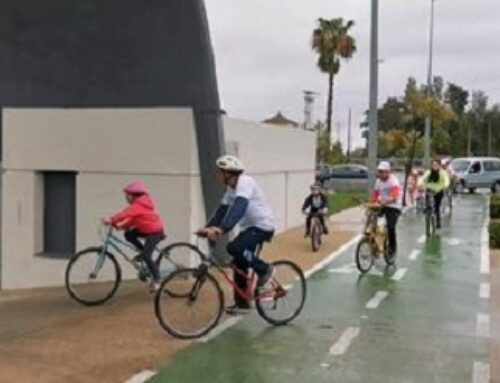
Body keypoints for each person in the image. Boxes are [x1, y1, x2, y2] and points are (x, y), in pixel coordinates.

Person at [197, 155, 276, 314]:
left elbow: (239, 207)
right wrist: (208, 228)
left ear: (229, 173)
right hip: (249, 228)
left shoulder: (245, 182)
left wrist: (223, 229)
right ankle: (242, 304)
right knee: (238, 262)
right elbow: (222, 211)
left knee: (234, 247)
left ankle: (265, 269)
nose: (218, 175)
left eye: (220, 172)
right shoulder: (230, 189)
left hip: (263, 226)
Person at [104, 182, 165, 291]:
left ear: (132, 195)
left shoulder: (138, 205)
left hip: (155, 232)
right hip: (145, 230)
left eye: (127, 195)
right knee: (129, 234)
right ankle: (142, 252)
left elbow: (125, 214)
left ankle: (157, 279)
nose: (126, 198)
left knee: (147, 256)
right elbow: (132, 219)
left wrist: (111, 219)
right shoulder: (137, 206)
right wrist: (121, 226)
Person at [372, 161, 402, 258]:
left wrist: (387, 201)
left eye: (382, 171)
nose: (380, 174)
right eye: (379, 171)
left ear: (388, 172)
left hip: (394, 206)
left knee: (390, 227)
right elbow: (376, 194)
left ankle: (392, 248)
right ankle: (373, 244)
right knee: (371, 219)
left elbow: (395, 196)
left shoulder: (393, 181)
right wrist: (375, 202)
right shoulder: (378, 181)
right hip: (383, 204)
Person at [419, 159, 450, 229]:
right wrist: (420, 184)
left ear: (439, 166)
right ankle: (428, 211)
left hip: (438, 191)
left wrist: (445, 186)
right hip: (429, 190)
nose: (434, 166)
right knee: (428, 204)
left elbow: (447, 180)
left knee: (437, 207)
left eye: (436, 165)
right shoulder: (429, 172)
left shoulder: (443, 173)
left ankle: (438, 222)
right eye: (433, 165)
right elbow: (422, 178)